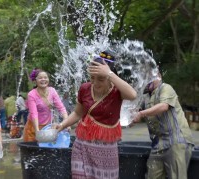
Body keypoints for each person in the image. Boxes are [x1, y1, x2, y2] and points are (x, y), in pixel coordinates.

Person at [55, 50, 137, 179]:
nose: (95, 83)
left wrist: (109, 73)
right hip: (82, 145)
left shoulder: (117, 91)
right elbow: (77, 112)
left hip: (105, 149)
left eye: (101, 78)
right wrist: (62, 125)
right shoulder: (84, 88)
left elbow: (133, 95)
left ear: (110, 77)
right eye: (92, 77)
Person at [132, 72, 193, 179]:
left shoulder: (166, 88)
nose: (146, 80)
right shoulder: (146, 97)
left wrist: (141, 113)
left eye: (149, 77)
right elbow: (134, 114)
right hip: (158, 145)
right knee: (152, 175)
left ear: (158, 76)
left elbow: (164, 106)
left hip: (176, 141)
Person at [23, 68, 68, 142]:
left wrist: (66, 122)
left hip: (48, 127)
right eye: (40, 78)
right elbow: (34, 114)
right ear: (35, 80)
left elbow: (61, 107)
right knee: (31, 152)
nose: (43, 79)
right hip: (33, 128)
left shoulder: (52, 91)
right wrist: (37, 131)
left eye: (45, 77)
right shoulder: (31, 94)